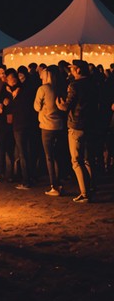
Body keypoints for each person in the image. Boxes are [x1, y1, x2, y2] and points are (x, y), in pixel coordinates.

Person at [56, 59, 97, 203]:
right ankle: (91, 187)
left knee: (76, 161)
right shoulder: (93, 83)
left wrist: (59, 104)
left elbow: (67, 106)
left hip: (77, 125)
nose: (71, 71)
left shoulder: (74, 85)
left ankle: (85, 193)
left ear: (78, 70)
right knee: (87, 159)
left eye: (73, 68)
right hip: (90, 124)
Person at [33, 64, 67, 196]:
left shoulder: (43, 88)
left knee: (49, 157)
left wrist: (43, 107)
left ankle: (54, 185)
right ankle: (59, 183)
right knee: (57, 155)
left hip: (47, 126)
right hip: (59, 125)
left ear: (48, 75)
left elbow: (36, 107)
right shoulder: (60, 87)